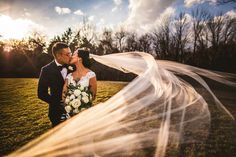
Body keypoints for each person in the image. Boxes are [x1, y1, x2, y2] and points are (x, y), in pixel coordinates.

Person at [38, 42, 72, 127]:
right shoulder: (46, 70)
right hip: (56, 113)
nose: (70, 56)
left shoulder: (73, 67)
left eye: (70, 53)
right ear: (58, 55)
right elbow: (41, 93)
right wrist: (57, 103)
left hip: (74, 110)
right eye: (67, 54)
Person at [62, 48, 97, 115]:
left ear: (79, 58)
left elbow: (93, 96)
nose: (71, 56)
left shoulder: (91, 75)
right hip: (70, 112)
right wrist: (71, 106)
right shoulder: (69, 76)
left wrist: (82, 105)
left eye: (74, 54)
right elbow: (64, 95)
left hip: (85, 113)